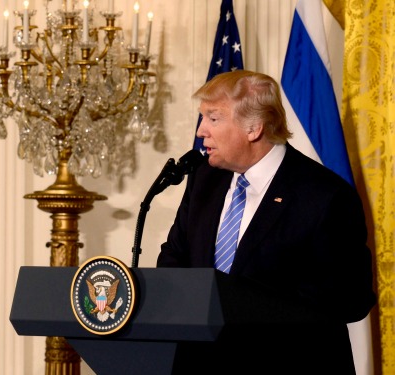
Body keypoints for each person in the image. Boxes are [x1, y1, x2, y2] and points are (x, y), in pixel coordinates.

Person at [157, 70, 375, 374]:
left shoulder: (325, 196)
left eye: (213, 118)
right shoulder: (204, 180)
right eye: (202, 118)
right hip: (200, 363)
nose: (201, 131)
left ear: (254, 128)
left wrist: (247, 305)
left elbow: (352, 299)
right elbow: (174, 258)